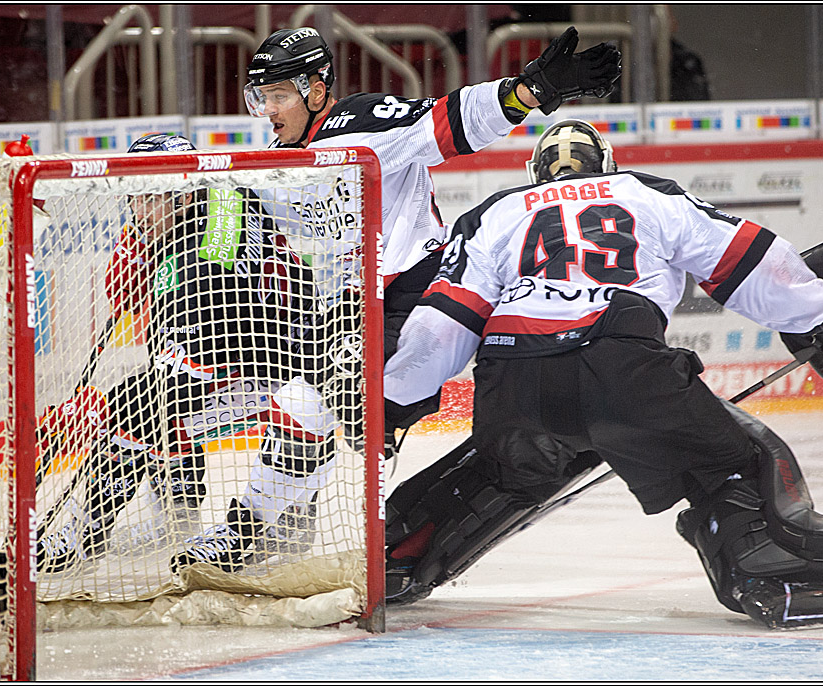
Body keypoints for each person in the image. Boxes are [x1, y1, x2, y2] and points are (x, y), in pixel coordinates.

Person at [379, 120, 823, 629]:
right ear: (607, 164)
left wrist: (396, 400)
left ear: (536, 173)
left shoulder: (494, 213)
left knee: (504, 468)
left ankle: (395, 554)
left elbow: (440, 329)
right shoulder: (644, 193)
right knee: (724, 460)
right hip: (623, 371)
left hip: (513, 381)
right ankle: (775, 577)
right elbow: (748, 261)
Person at [167, 26, 623, 575]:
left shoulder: (361, 122)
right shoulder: (279, 161)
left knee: (324, 398)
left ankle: (258, 524)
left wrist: (530, 90)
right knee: (297, 401)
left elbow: (450, 120)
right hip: (349, 309)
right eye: (261, 98)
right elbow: (234, 208)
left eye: (279, 95)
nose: (268, 110)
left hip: (418, 291)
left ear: (317, 90)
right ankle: (279, 522)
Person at [35, 133, 319, 574]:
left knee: (139, 403)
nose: (137, 209)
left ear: (184, 191)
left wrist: (102, 412)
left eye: (149, 197)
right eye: (134, 196)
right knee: (157, 388)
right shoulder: (220, 199)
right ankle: (192, 516)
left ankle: (87, 533)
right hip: (258, 353)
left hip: (281, 369)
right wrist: (140, 247)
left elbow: (198, 346)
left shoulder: (205, 248)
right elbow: (125, 294)